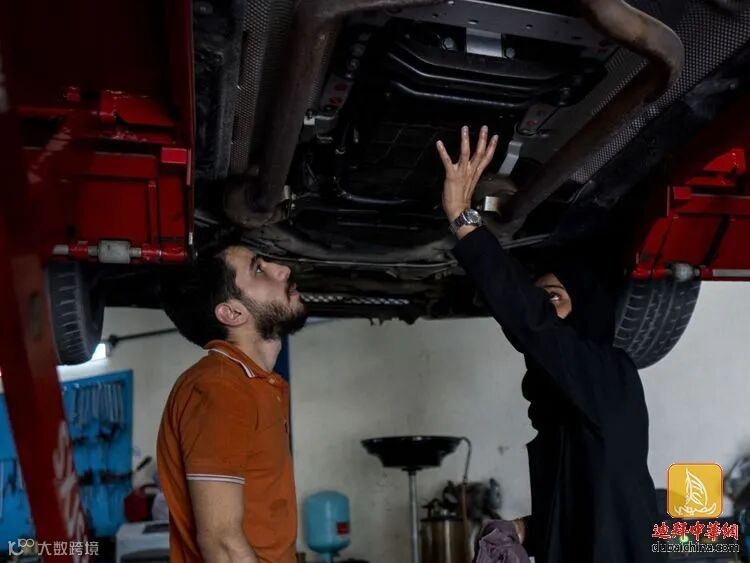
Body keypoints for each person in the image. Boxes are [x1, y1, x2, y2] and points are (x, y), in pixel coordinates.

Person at [436, 126, 664, 563]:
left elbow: (533, 325)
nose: (544, 308)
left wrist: (464, 220)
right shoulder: (566, 413)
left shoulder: (608, 378)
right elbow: (595, 520)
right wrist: (527, 531)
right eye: (540, 297)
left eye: (555, 297)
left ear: (588, 311)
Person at [156, 243, 308, 563]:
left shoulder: (252, 383)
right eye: (258, 269)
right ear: (232, 313)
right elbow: (221, 541)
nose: (283, 270)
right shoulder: (220, 388)